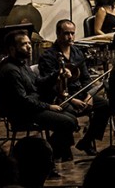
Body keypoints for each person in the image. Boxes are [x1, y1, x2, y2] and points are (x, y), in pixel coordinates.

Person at [0, 30, 79, 160]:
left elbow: (38, 82)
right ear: (12, 49)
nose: (29, 47)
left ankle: (57, 153)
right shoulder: (10, 70)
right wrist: (48, 107)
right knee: (68, 122)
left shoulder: (22, 65)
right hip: (23, 113)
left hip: (33, 107)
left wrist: (57, 74)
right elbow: (22, 101)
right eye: (24, 44)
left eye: (29, 43)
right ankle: (45, 157)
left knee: (72, 117)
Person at [35, 19, 110, 155]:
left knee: (105, 105)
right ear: (58, 34)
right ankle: (58, 149)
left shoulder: (77, 52)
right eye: (66, 33)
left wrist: (88, 96)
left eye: (72, 33)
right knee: (69, 116)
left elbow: (86, 79)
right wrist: (72, 100)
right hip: (59, 98)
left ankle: (87, 141)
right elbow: (48, 86)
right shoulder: (48, 56)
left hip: (79, 94)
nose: (70, 37)